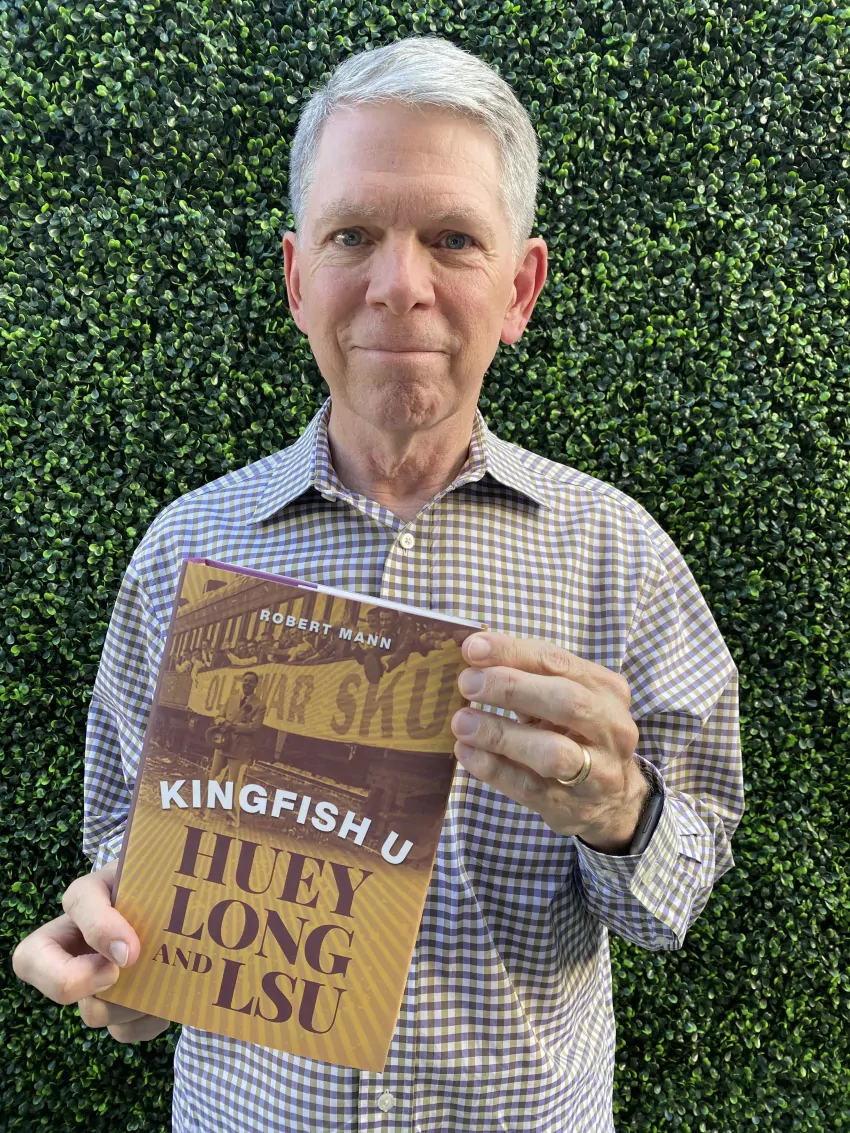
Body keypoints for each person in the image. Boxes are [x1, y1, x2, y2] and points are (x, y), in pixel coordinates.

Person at [11, 34, 744, 1133]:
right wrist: (122, 949)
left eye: (453, 239)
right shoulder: (186, 547)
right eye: (353, 234)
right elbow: (121, 831)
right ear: (297, 280)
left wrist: (618, 813)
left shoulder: (619, 555)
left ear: (519, 288)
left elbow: (685, 883)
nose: (400, 285)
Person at [200, 670, 267, 828]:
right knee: (214, 777)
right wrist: (223, 723)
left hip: (240, 748)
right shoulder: (232, 698)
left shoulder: (260, 705)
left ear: (256, 685)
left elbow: (255, 727)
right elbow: (218, 716)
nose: (247, 683)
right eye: (245, 680)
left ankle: (231, 817)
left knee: (233, 783)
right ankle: (204, 811)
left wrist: (234, 726)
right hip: (224, 743)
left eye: (251, 681)